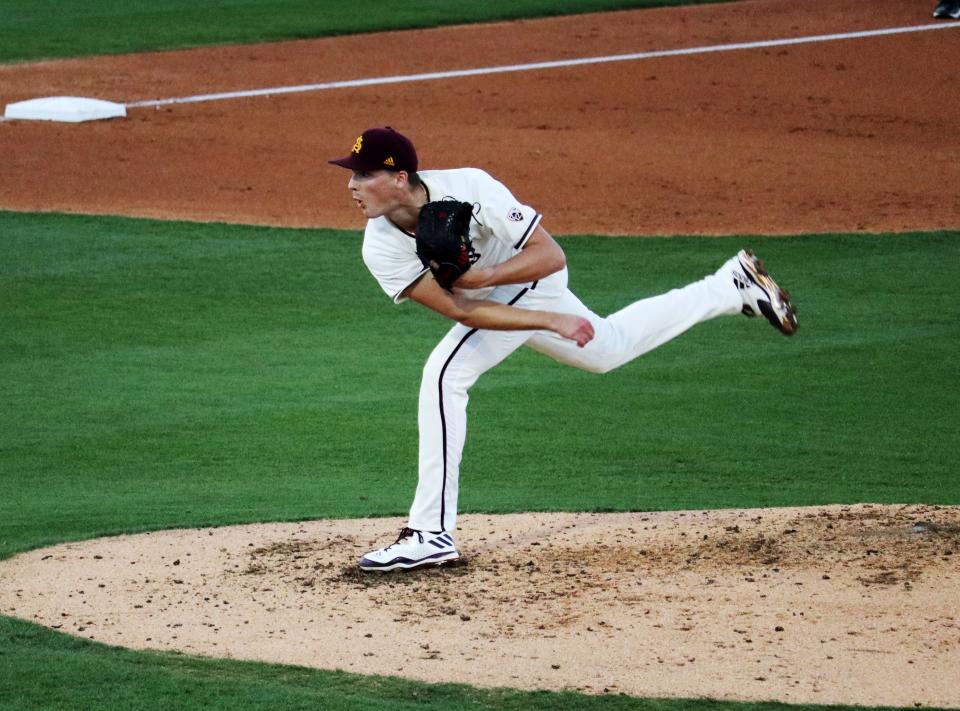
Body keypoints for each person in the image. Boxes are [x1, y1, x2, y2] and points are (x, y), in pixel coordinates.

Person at [328, 126, 798, 572]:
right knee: (605, 351)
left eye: (363, 174)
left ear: (399, 177)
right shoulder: (381, 247)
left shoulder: (469, 186)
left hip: (530, 276)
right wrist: (547, 320)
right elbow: (465, 312)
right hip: (497, 305)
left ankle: (430, 533)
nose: (352, 184)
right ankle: (730, 286)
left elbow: (550, 255)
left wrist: (491, 279)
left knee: (445, 374)